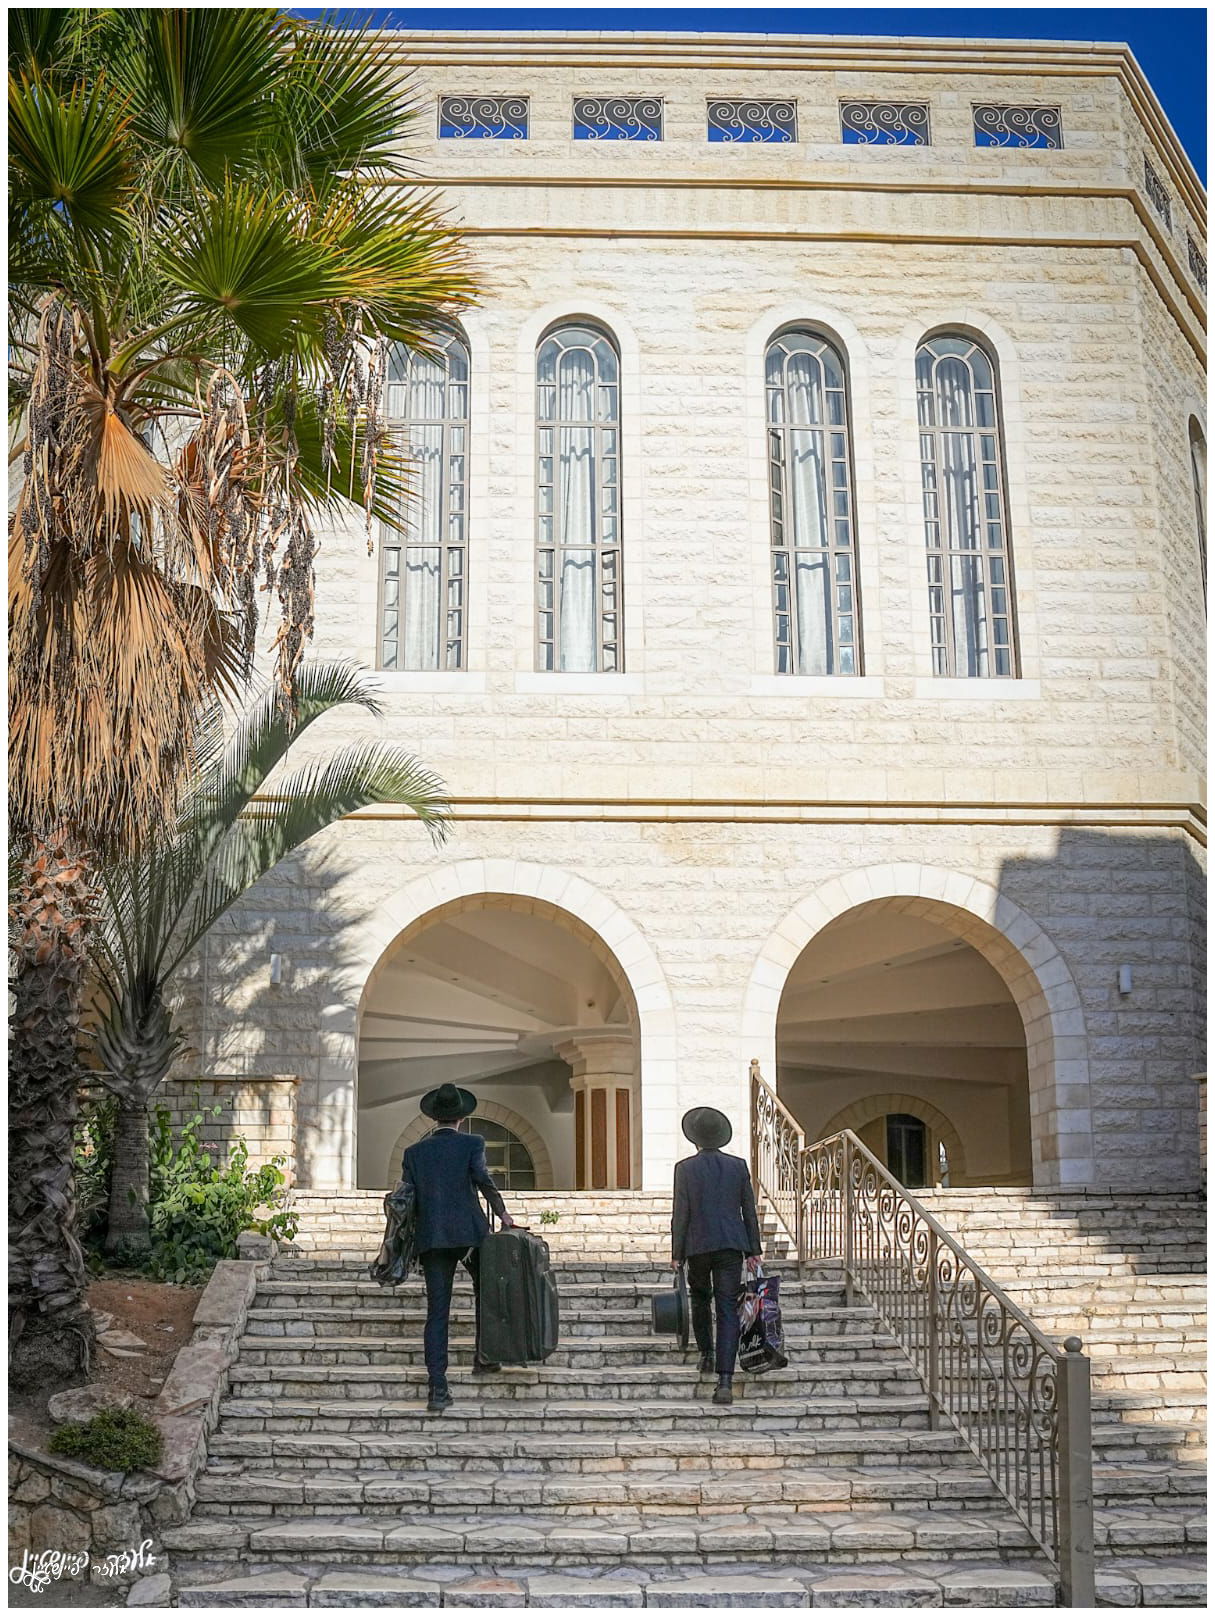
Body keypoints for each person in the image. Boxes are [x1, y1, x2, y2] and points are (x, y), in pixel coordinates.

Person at [401, 1084, 516, 1414]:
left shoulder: (414, 1153)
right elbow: (484, 1181)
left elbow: (407, 1200)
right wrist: (504, 1214)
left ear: (433, 1118)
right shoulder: (472, 1144)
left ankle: (438, 1388)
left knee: (437, 1313)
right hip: (470, 1235)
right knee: (487, 1294)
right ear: (462, 1118)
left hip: (432, 1238)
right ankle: (484, 1357)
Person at [670, 1106, 763, 1405]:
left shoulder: (685, 1169)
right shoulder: (738, 1166)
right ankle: (725, 1381)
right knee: (726, 1309)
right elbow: (748, 1210)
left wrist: (677, 1253)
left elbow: (680, 1213)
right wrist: (753, 1250)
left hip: (697, 1246)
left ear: (694, 1138)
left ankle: (706, 1354)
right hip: (730, 1246)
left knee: (700, 1298)